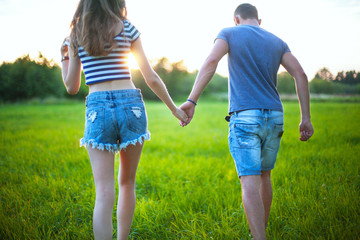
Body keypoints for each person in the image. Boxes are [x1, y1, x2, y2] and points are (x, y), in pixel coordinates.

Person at [180, 3, 313, 240]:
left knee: (249, 181)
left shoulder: (229, 33)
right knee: (265, 175)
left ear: (236, 19)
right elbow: (300, 74)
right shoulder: (277, 41)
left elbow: (211, 62)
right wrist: (306, 118)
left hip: (245, 117)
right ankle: (260, 232)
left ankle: (259, 237)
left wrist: (192, 100)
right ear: (259, 21)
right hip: (275, 116)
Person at [60, 0, 188, 239]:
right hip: (131, 104)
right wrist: (174, 109)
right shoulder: (127, 27)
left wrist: (64, 58)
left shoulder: (76, 33)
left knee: (103, 191)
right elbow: (150, 77)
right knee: (127, 182)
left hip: (97, 106)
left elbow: (71, 86)